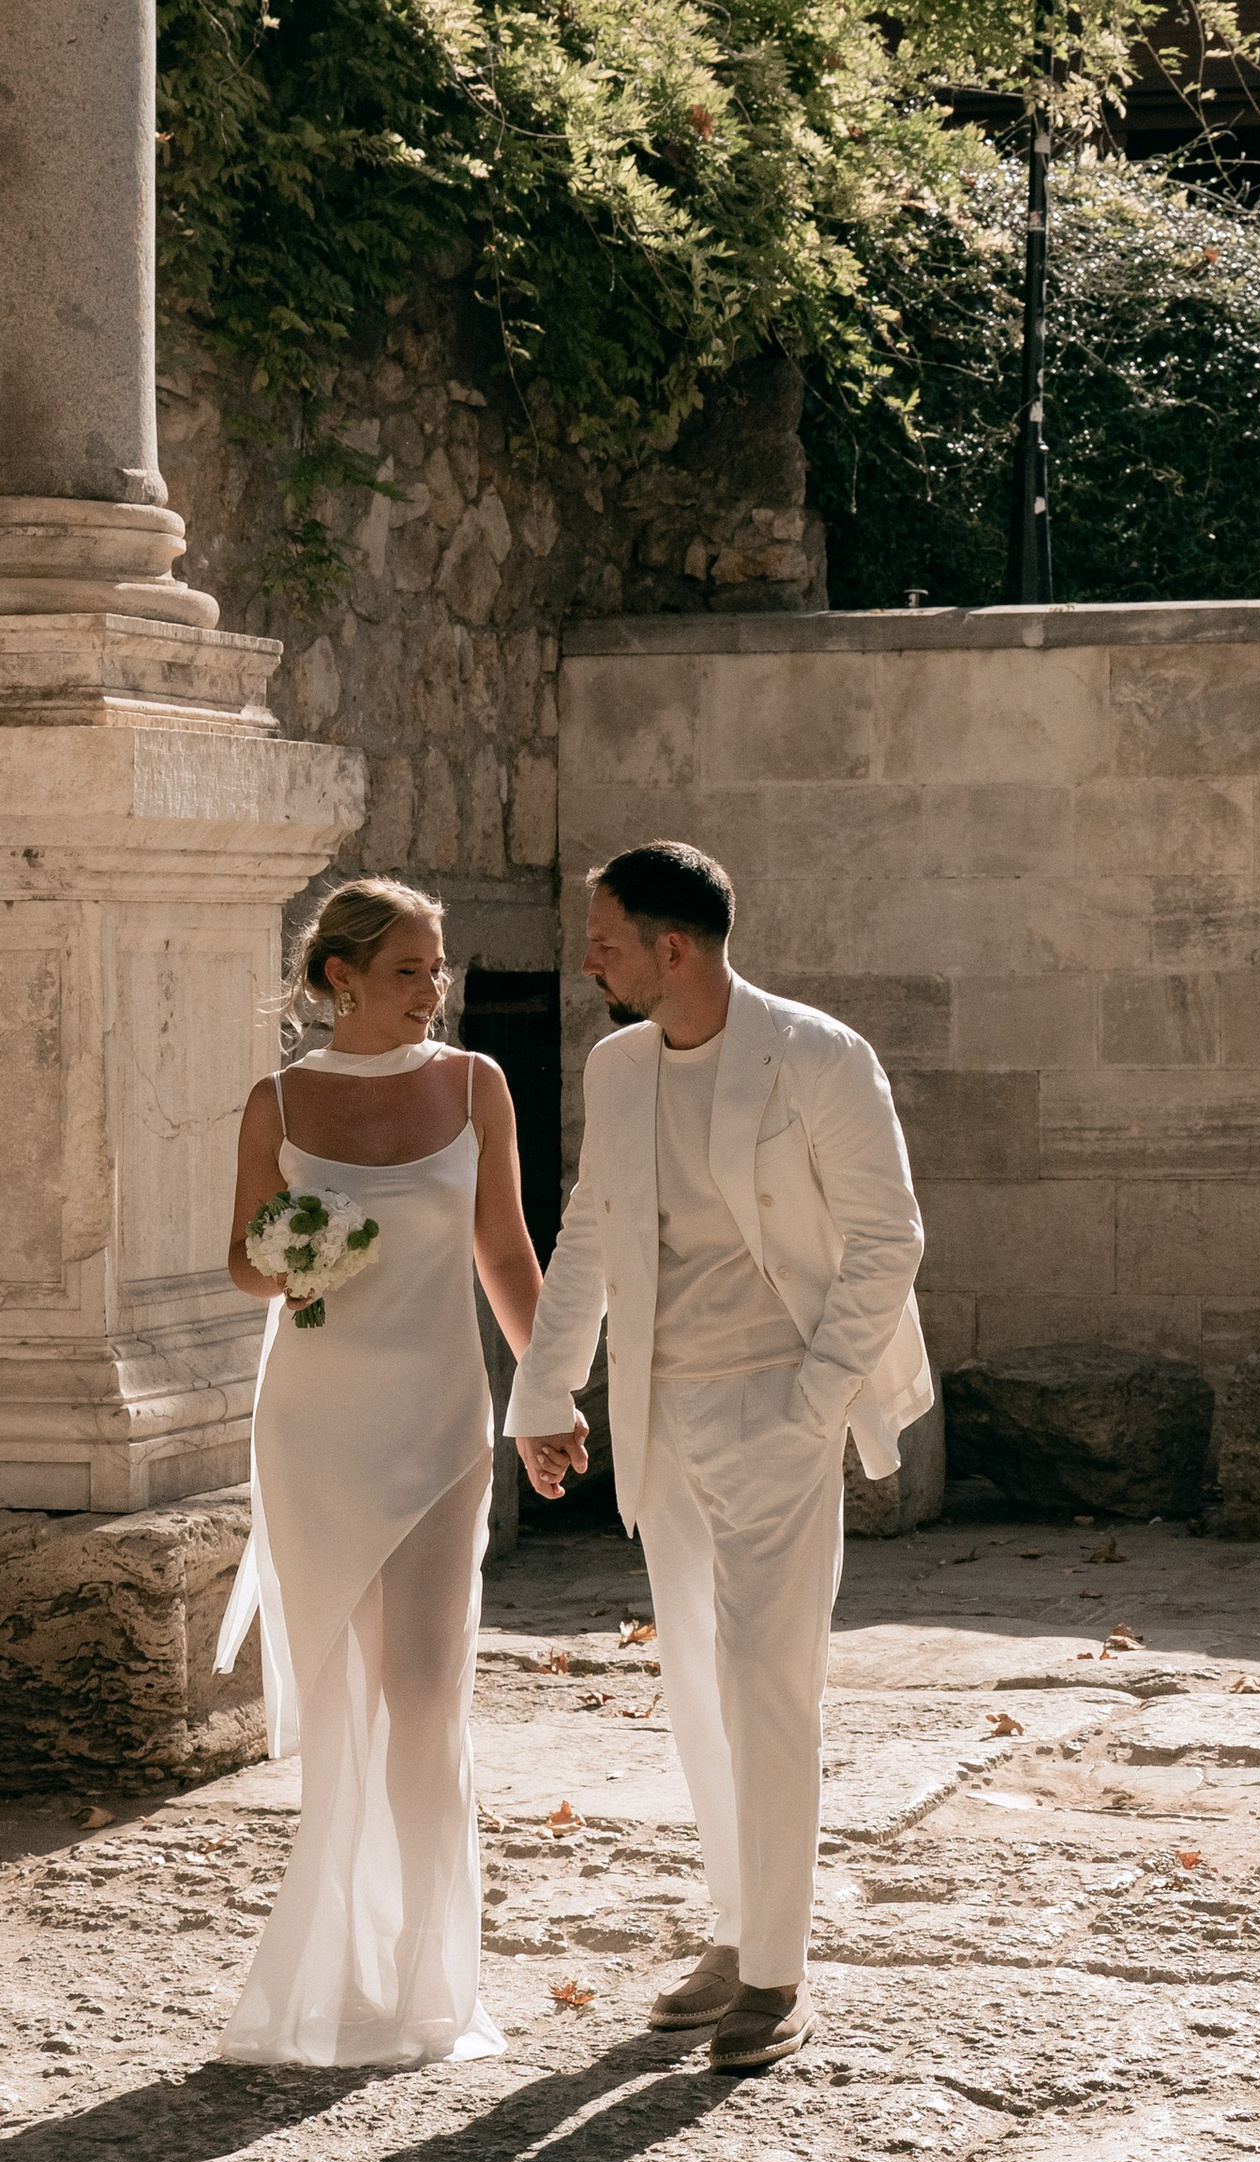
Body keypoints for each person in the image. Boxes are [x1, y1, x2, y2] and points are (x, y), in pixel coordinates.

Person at [506, 842, 930, 2073]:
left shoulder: (817, 1055)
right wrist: (545, 1391)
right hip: (660, 1414)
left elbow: (888, 1239)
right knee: (696, 1683)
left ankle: (776, 1975)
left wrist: (810, 1405)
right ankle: (738, 1931)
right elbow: (590, 1230)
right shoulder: (618, 1065)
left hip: (778, 1408)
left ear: (672, 948)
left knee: (766, 1680)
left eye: (605, 942)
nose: (589, 961)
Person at [214, 878, 543, 2068]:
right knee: (346, 1703)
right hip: (316, 1431)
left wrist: (548, 1394)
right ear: (340, 977)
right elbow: (242, 1262)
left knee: (426, 1692)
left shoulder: (475, 1084)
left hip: (442, 1423)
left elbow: (502, 1248)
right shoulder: (277, 1101)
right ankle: (344, 1975)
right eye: (409, 969)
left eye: (437, 966)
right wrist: (292, 1256)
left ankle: (427, 1982)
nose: (432, 988)